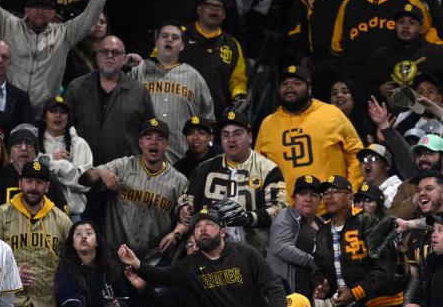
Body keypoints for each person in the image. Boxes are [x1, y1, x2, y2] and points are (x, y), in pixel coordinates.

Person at [117, 205, 284, 307]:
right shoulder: (189, 267)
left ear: (223, 232)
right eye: (197, 226)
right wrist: (137, 264)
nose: (203, 229)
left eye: (209, 224)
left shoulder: (246, 254)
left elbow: (275, 288)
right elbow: (161, 276)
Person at [311, 176, 405, 307]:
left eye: (335, 191)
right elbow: (318, 268)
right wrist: (323, 286)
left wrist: (355, 293)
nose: (329, 196)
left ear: (350, 197)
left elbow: (386, 268)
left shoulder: (370, 222)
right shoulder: (322, 232)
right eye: (325, 193)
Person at [179, 110, 284, 254]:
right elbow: (186, 197)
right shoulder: (204, 169)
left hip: (256, 253)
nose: (231, 139)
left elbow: (279, 208)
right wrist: (184, 208)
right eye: (226, 134)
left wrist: (250, 217)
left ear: (250, 137)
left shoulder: (268, 169)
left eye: (237, 133)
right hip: (212, 253)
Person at [81, 118, 187, 257]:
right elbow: (84, 180)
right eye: (148, 138)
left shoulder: (179, 181)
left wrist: (175, 234)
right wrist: (100, 172)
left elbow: (187, 218)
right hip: (115, 255)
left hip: (155, 258)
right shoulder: (122, 166)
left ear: (167, 144)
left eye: (160, 139)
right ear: (140, 143)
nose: (153, 142)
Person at [255, 65, 363, 195]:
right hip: (284, 210)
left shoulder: (332, 114)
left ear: (309, 89)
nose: (289, 87)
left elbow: (356, 154)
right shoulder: (267, 124)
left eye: (297, 83)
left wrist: (351, 191)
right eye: (284, 84)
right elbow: (257, 168)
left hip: (331, 206)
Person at [0, 159, 73, 307]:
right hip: (9, 305)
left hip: (49, 306)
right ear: (20, 184)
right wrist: (9, 273)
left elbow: (72, 263)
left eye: (39, 182)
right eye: (29, 181)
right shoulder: (0, 215)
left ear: (47, 187)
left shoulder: (62, 220)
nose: (33, 187)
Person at [127, 22, 215, 164]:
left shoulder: (194, 77)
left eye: (175, 37)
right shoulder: (139, 70)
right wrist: (123, 66)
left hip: (180, 159)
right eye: (165, 36)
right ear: (156, 41)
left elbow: (207, 118)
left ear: (182, 45)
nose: (169, 40)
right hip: (140, 157)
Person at [66, 34, 157, 165]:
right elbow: (63, 130)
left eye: (116, 52)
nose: (109, 55)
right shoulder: (76, 88)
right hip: (82, 171)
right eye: (104, 51)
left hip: (124, 173)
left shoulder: (139, 91)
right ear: (97, 56)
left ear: (124, 58)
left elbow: (150, 133)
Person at [52, 220, 131, 307]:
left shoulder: (111, 267)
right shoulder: (65, 270)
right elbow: (72, 306)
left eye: (88, 233)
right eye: (78, 234)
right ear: (72, 243)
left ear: (97, 241)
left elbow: (124, 299)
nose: (84, 236)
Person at [181, 0, 249, 116]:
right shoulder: (179, 35)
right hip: (179, 111)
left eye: (220, 7)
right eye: (209, 5)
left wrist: (239, 96)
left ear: (224, 15)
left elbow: (238, 80)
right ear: (199, 9)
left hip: (214, 117)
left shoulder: (232, 45)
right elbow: (158, 64)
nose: (215, 9)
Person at [267, 174, 325, 299]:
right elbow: (280, 247)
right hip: (287, 293)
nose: (308, 199)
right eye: (303, 194)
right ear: (294, 198)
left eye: (313, 195)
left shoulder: (322, 223)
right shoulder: (286, 216)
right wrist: (313, 261)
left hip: (313, 293)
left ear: (320, 200)